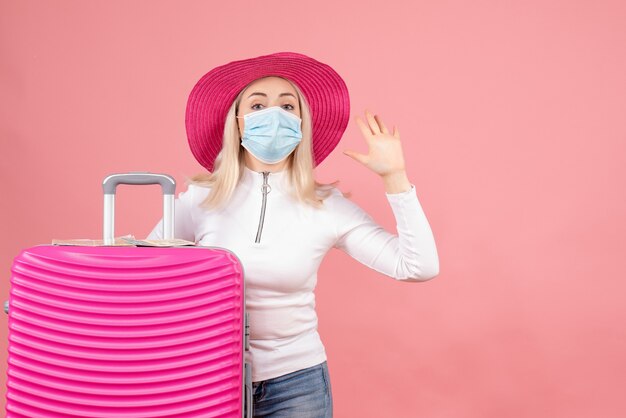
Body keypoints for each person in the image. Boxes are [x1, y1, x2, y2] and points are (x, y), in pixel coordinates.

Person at [147, 51, 440, 418]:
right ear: (237, 123)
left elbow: (418, 266)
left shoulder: (326, 205)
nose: (274, 116)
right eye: (257, 105)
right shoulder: (201, 199)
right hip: (209, 379)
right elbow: (147, 274)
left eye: (288, 106)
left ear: (302, 123)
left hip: (297, 385)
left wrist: (395, 178)